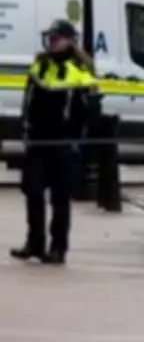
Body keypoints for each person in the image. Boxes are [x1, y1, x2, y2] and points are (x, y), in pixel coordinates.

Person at [11, 20, 98, 265]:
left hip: (63, 141)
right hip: (38, 138)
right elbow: (28, 100)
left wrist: (78, 139)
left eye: (56, 38)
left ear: (69, 40)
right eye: (50, 38)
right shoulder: (40, 66)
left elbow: (89, 111)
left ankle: (58, 247)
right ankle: (34, 242)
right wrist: (26, 128)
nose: (52, 42)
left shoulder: (80, 70)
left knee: (60, 197)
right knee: (33, 191)